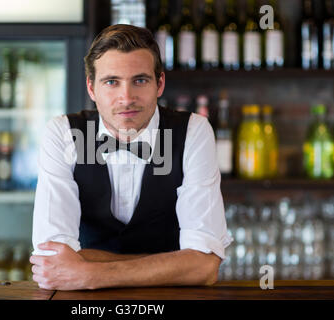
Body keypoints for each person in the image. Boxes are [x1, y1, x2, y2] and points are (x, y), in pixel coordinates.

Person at [30, 24, 232, 290]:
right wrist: (174, 263)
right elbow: (51, 260)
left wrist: (89, 274)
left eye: (140, 80)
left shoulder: (193, 131)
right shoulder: (64, 133)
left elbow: (204, 267)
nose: (126, 98)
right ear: (92, 88)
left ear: (159, 83)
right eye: (111, 82)